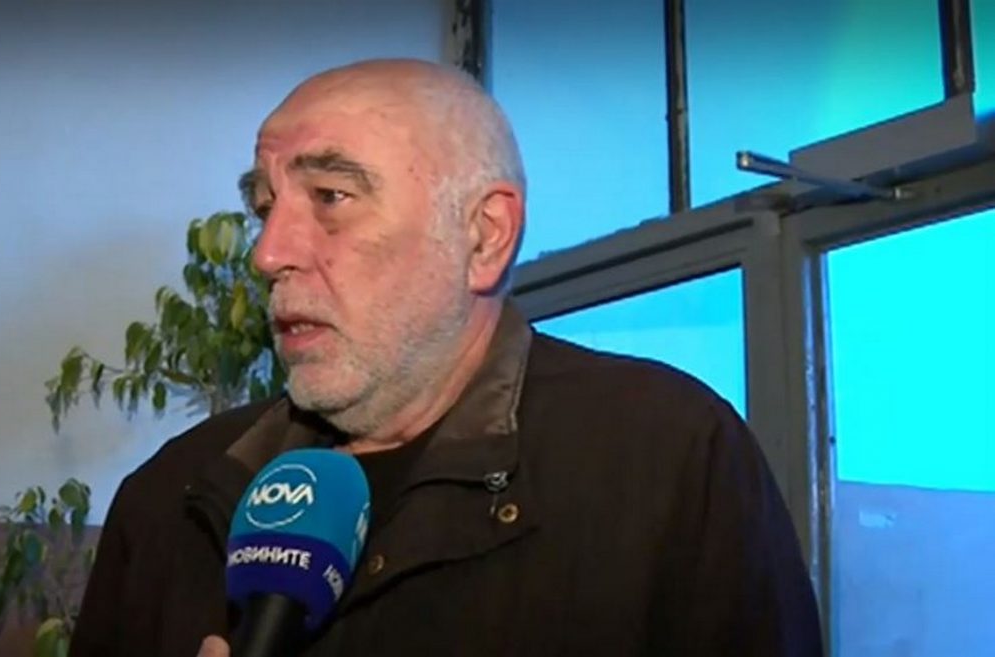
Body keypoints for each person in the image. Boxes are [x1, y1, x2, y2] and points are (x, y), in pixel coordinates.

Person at [71, 58, 822, 657]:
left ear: (484, 235)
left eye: (330, 196)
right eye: (266, 207)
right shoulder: (173, 497)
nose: (268, 253)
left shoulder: (667, 459)